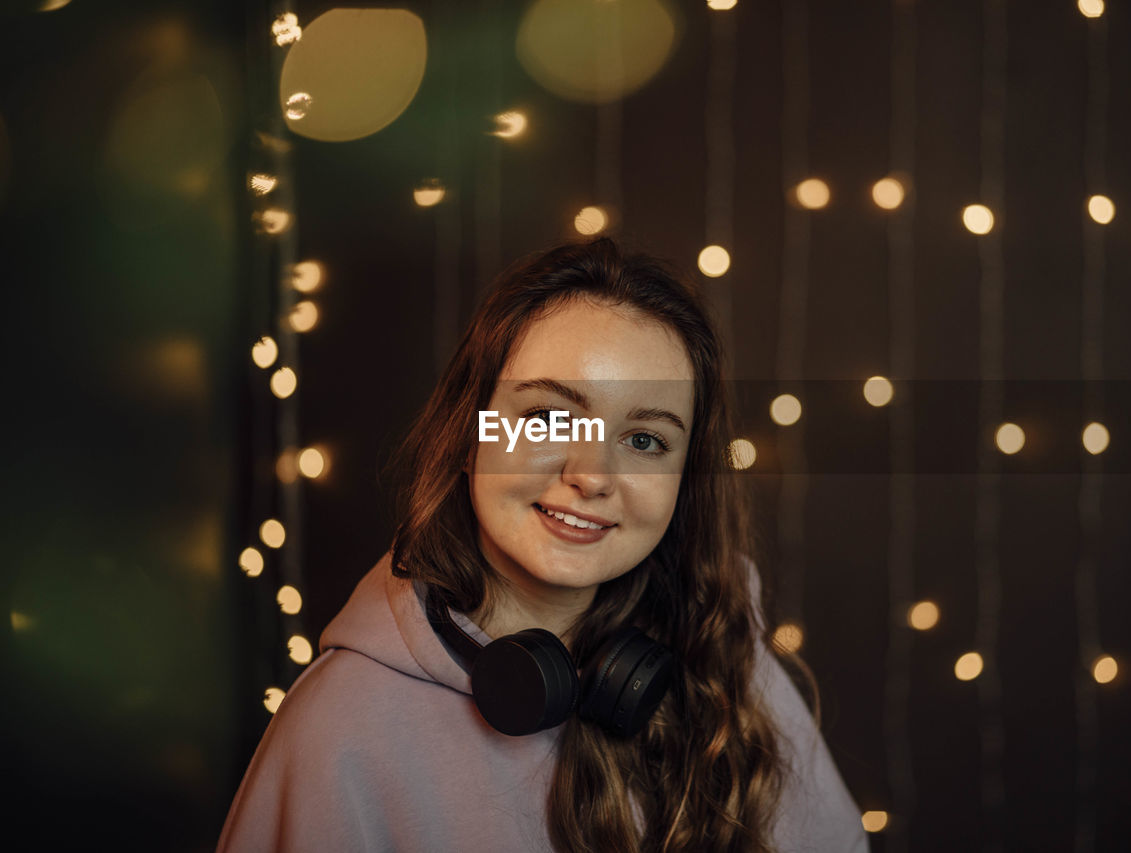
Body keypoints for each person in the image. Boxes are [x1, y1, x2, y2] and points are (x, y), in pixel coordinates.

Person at [217, 237, 868, 852]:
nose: (590, 475)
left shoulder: (727, 661)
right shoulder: (340, 727)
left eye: (645, 440)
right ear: (468, 433)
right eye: (548, 417)